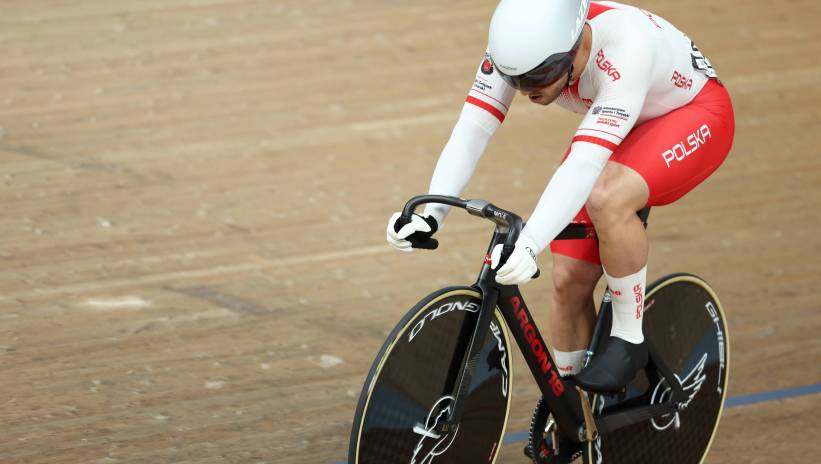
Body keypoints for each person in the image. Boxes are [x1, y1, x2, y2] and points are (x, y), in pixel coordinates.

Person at [386, 0, 734, 393]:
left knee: (607, 198)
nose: (529, 91)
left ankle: (628, 338)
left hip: (693, 115)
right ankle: (570, 407)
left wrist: (531, 243)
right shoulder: (516, 48)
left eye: (543, 76)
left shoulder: (626, 45)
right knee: (568, 279)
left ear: (573, 47)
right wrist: (431, 212)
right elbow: (473, 128)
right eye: (518, 82)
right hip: (621, 120)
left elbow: (584, 165)